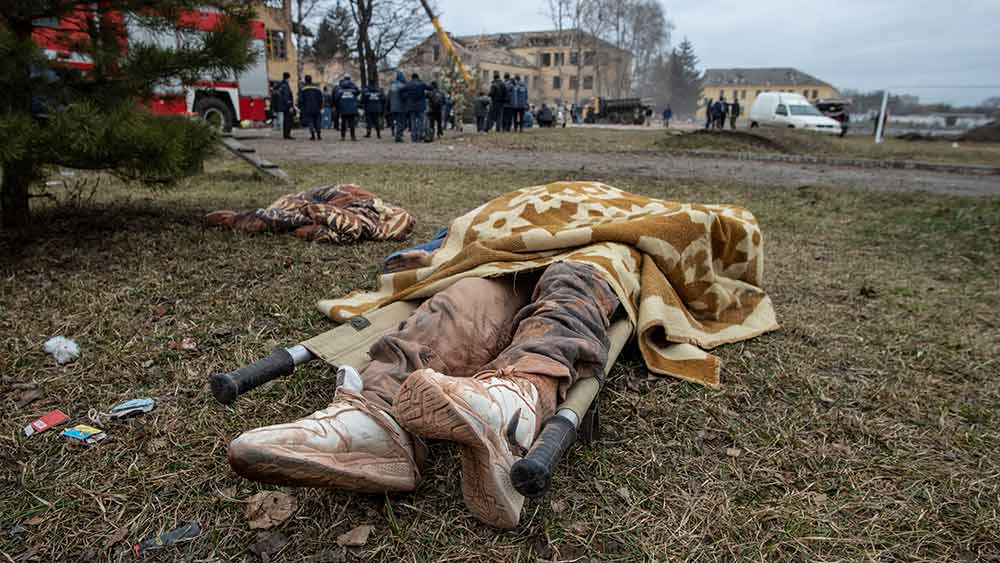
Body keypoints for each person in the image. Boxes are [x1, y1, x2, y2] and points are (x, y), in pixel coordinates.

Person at [226, 261, 620, 530]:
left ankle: (517, 402)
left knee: (572, 287)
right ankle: (381, 416)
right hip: (510, 259)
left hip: (595, 262)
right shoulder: (526, 211)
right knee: (464, 295)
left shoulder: (624, 211)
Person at [401, 73, 429, 143]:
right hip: (421, 106)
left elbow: (401, 91)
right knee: (421, 122)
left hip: (411, 106)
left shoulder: (408, 84)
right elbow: (430, 88)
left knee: (413, 122)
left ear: (412, 77)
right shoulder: (421, 83)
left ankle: (413, 138)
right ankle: (419, 137)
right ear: (418, 77)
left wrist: (406, 97)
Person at [335, 74, 361, 141]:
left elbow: (336, 98)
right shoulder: (353, 89)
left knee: (343, 122)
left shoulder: (340, 88)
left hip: (343, 108)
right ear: (350, 79)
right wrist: (353, 84)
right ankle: (353, 137)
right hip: (352, 108)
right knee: (352, 123)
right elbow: (358, 92)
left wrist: (338, 106)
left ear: (344, 79)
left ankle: (343, 137)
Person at [298, 75, 324, 141]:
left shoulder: (303, 88)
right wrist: (321, 106)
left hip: (307, 107)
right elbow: (321, 98)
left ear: (305, 80)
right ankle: (319, 134)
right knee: (317, 120)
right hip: (317, 107)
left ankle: (312, 135)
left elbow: (300, 99)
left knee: (310, 121)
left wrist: (300, 107)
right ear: (311, 79)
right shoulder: (317, 87)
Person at [389, 71, 407, 143]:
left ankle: (397, 135)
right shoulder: (402, 86)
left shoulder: (393, 86)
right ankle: (398, 137)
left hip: (393, 107)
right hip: (400, 107)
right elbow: (404, 97)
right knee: (401, 122)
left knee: (397, 122)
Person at [276, 72, 294, 140]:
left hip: (283, 106)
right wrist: (290, 106)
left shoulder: (281, 84)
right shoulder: (286, 85)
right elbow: (286, 97)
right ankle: (287, 135)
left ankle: (285, 134)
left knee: (285, 121)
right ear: (288, 78)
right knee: (288, 121)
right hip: (287, 106)